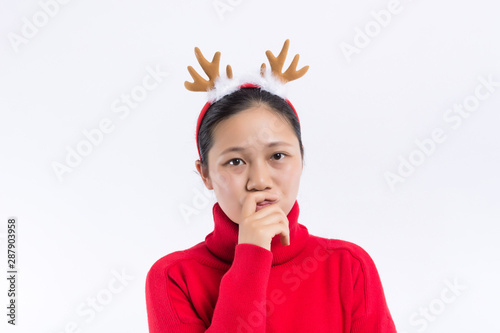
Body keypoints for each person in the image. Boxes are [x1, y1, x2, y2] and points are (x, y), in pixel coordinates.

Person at [145, 40, 397, 332]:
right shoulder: (174, 277)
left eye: (278, 156)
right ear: (206, 175)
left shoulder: (350, 267)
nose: (260, 181)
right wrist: (251, 255)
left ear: (301, 159)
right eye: (235, 162)